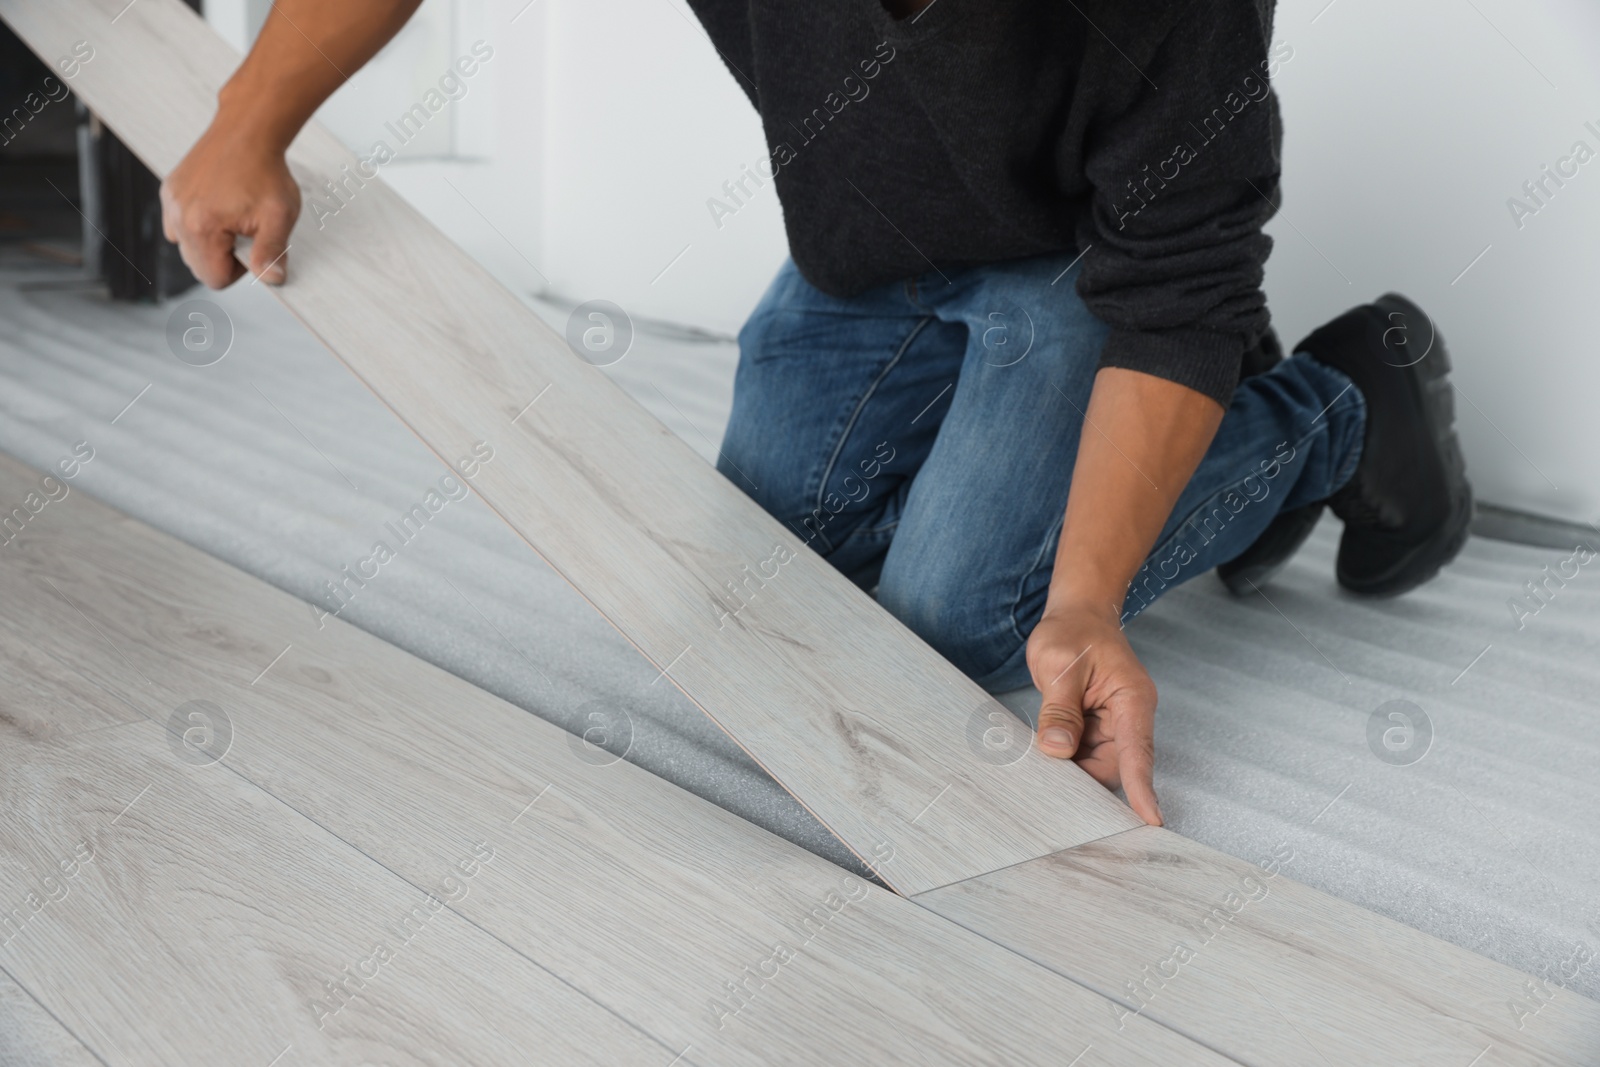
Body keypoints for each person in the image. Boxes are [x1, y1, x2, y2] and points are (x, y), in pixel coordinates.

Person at [160, 0, 1472, 826]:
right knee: (768, 612)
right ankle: (1187, 458)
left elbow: (1178, 285)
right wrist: (246, 119)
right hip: (860, 254)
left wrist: (1078, 605)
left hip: (1086, 263)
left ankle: (1342, 400)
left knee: (959, 620)